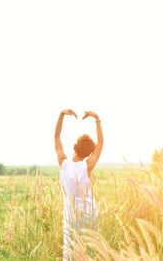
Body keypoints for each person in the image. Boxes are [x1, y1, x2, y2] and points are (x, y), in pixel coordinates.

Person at [54, 109, 104, 260]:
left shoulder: (63, 163)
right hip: (89, 215)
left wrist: (61, 115)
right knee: (90, 253)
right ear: (88, 153)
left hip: (71, 216)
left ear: (74, 147)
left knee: (71, 254)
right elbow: (101, 142)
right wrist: (97, 119)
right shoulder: (87, 166)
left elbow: (56, 136)